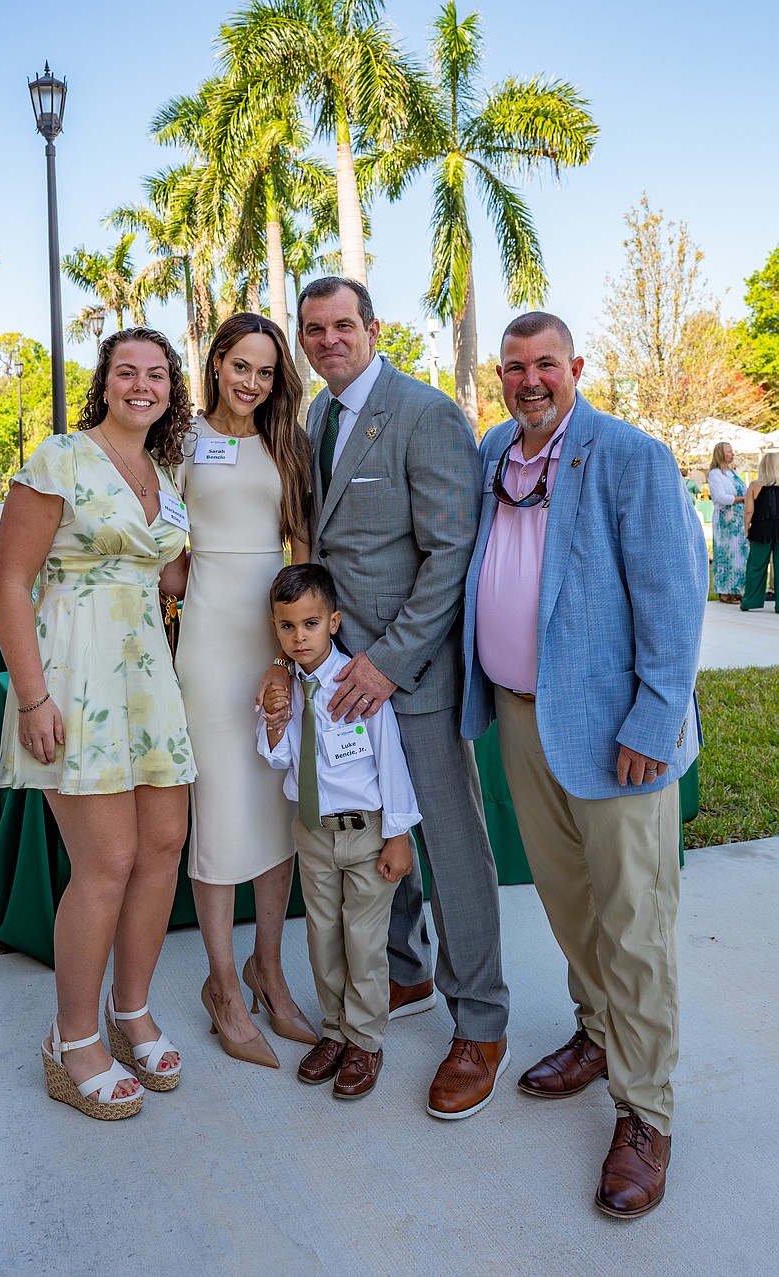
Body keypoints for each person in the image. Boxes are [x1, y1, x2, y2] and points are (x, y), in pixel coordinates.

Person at [461, 312, 707, 1217]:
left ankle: (646, 1111)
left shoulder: (629, 455)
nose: (531, 381)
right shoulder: (496, 450)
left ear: (577, 368)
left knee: (634, 923)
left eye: (546, 365)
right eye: (515, 368)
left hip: (619, 735)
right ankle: (599, 1033)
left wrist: (652, 716)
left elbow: (675, 594)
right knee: (570, 905)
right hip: (524, 723)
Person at [274, 275, 509, 1120]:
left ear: (374, 328)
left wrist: (386, 662)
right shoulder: (317, 419)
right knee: (378, 844)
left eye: (343, 325)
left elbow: (451, 552)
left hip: (409, 681)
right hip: (339, 684)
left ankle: (480, 1021)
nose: (328, 338)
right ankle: (402, 972)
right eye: (314, 328)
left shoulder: (425, 412)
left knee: (450, 852)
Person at [0, 327, 197, 1120]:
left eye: (155, 374)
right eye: (126, 372)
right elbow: (12, 582)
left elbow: (168, 569)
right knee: (106, 861)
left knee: (163, 848)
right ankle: (72, 1038)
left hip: (150, 676)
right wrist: (34, 698)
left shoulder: (165, 471)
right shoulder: (61, 459)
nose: (141, 385)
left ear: (171, 389)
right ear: (104, 383)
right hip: (76, 675)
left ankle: (132, 1008)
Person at [162, 313, 316, 1070]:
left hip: (274, 635)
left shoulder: (284, 440)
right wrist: (188, 581)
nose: (252, 382)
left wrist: (292, 650)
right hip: (210, 641)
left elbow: (301, 545)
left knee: (274, 804)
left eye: (265, 370)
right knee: (220, 809)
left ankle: (269, 969)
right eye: (240, 366)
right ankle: (221, 985)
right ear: (216, 361)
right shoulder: (183, 439)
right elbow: (161, 541)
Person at [258, 564, 420, 1099]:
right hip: (314, 833)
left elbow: (391, 760)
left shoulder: (357, 684)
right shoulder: (288, 688)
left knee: (364, 942)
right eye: (287, 627)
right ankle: (334, 1031)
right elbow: (280, 758)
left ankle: (366, 1041)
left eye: (309, 623)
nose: (299, 637)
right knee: (323, 938)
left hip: (368, 832)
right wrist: (275, 724)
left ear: (334, 621)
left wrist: (399, 835)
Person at [708, 441, 748, 602]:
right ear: (721, 454)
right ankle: (725, 590)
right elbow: (721, 497)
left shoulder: (733, 473)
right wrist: (743, 499)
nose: (732, 454)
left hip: (738, 520)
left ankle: (738, 589)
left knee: (740, 555)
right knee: (726, 555)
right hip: (725, 522)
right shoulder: (715, 474)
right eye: (729, 452)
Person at [741, 450, 779, 612]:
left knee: (756, 566)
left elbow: (749, 510)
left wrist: (746, 529)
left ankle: (750, 601)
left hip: (760, 529)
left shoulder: (754, 486)